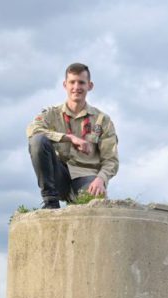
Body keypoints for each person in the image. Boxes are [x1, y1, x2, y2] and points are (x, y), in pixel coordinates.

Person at [27, 62, 119, 209]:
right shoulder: (52, 113)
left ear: (90, 86)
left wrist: (101, 179)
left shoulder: (102, 120)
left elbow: (111, 160)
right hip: (59, 175)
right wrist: (69, 138)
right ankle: (51, 202)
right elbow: (33, 129)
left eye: (81, 82)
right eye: (72, 82)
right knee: (37, 141)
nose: (76, 87)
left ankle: (83, 198)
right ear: (65, 85)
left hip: (86, 175)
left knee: (96, 202)